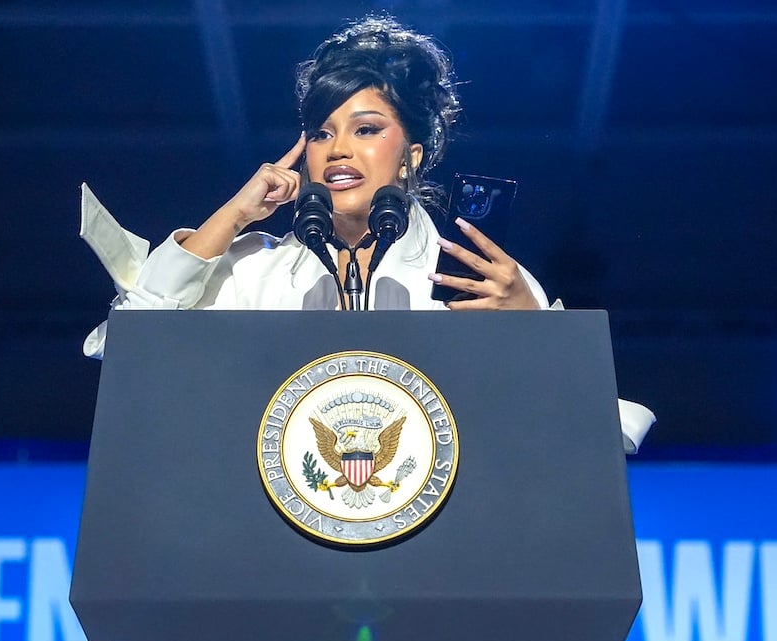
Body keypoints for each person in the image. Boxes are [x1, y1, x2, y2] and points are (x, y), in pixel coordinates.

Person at [80, 15, 654, 450]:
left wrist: (532, 327)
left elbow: (609, 433)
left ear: (412, 155)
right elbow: (129, 345)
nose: (340, 150)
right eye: (322, 134)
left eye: (368, 128)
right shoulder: (253, 269)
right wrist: (232, 217)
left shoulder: (476, 276)